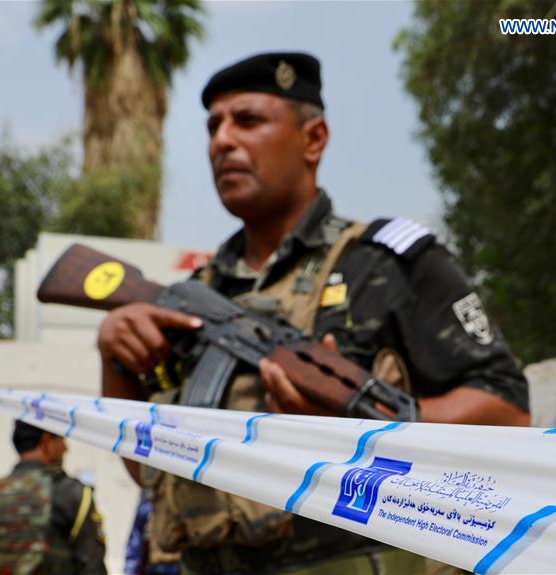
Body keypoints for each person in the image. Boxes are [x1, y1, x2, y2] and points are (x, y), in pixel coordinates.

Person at [95, 52, 531, 575]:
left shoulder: (385, 265)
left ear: (313, 139)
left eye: (248, 120)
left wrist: (363, 427)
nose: (223, 141)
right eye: (213, 126)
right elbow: (150, 473)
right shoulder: (193, 295)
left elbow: (509, 412)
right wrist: (116, 361)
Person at [0, 420, 107, 575]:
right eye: (61, 439)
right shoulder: (71, 494)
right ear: (46, 440)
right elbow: (92, 566)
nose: (66, 448)